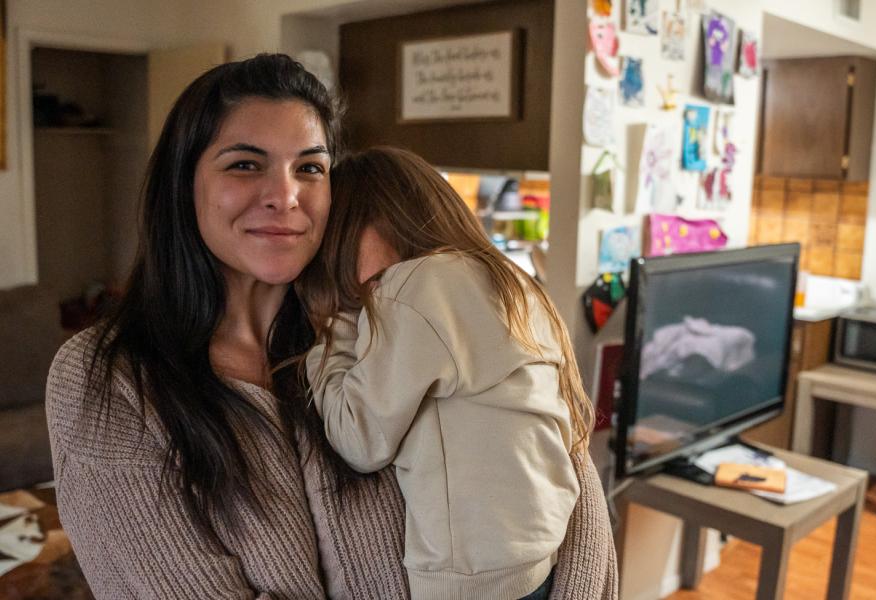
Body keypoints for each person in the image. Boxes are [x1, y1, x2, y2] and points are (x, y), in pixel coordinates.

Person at [45, 54, 617, 600]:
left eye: (310, 168)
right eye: (245, 164)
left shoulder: (373, 323)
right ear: (183, 184)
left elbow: (561, 467)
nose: (285, 196)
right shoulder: (108, 380)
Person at [303, 146, 597, 600]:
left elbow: (358, 439)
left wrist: (332, 327)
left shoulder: (409, 289)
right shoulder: (512, 282)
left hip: (471, 578)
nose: (332, 264)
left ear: (378, 220)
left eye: (337, 241)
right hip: (542, 557)